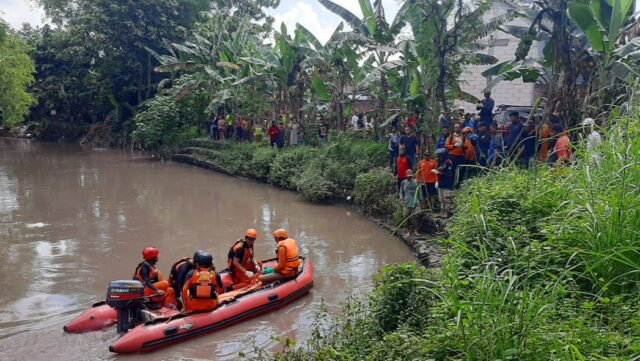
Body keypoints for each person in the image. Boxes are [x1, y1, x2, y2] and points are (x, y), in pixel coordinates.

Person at [399, 169, 422, 237]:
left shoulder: (416, 182)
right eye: (408, 176)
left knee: (417, 216)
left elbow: (420, 192)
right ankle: (408, 230)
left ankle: (416, 230)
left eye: (410, 176)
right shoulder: (403, 183)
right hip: (407, 202)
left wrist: (421, 201)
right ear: (406, 176)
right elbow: (401, 192)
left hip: (416, 202)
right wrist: (401, 199)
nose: (409, 177)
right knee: (406, 216)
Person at [435, 149, 455, 218]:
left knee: (446, 199)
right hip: (441, 183)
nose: (437, 158)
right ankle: (442, 212)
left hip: (447, 184)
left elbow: (449, 174)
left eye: (439, 156)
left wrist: (440, 173)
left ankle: (447, 213)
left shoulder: (448, 162)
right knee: (441, 199)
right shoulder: (440, 163)